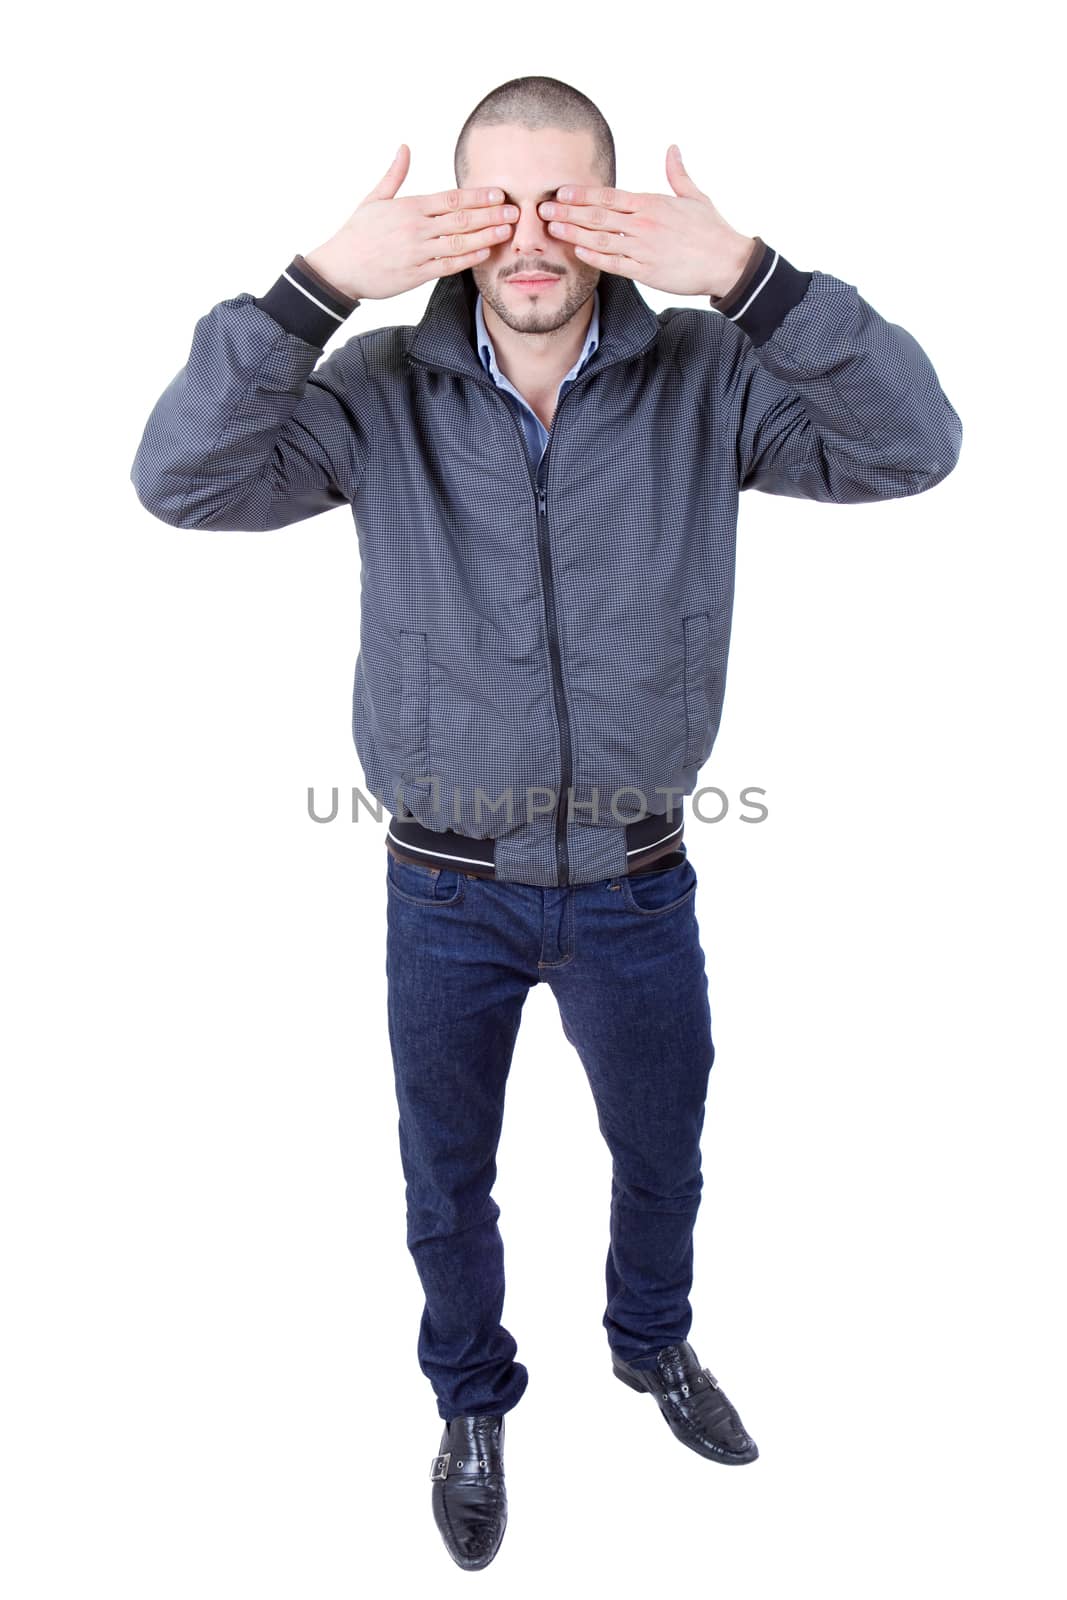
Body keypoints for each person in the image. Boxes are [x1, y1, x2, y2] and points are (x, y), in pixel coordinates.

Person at [130, 74, 962, 1571]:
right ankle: (470, 1403)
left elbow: (916, 446)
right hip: (441, 895)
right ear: (445, 227)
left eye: (563, 200)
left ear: (618, 212)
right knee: (446, 1177)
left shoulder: (711, 373)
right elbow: (180, 481)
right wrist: (315, 287)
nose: (527, 236)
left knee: (664, 1153)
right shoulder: (378, 390)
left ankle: (651, 1348)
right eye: (490, 203)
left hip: (639, 888)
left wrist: (756, 283)